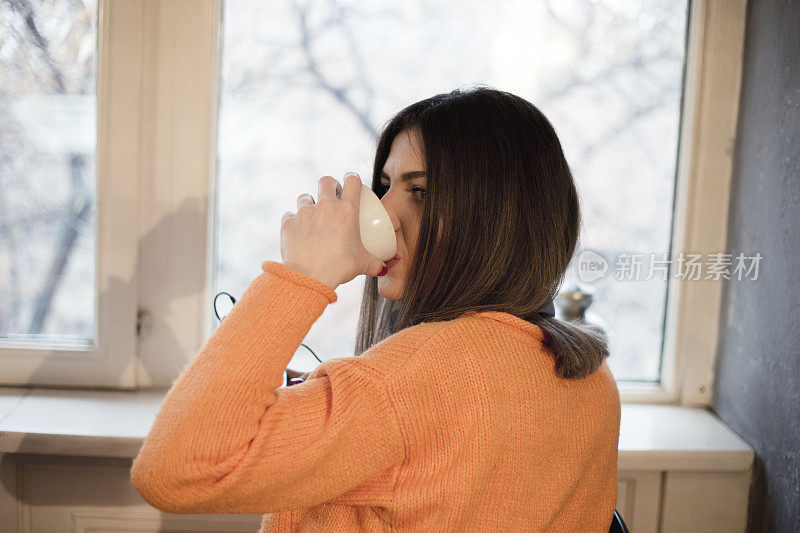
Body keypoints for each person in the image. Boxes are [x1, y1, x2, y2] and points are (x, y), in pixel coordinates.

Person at [130, 85, 621, 532]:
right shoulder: (591, 378)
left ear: (496, 215)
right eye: (385, 186)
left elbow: (174, 470)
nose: (383, 214)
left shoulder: (410, 382)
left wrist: (301, 277)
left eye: (421, 192)